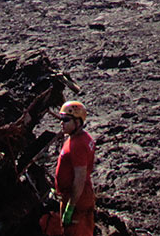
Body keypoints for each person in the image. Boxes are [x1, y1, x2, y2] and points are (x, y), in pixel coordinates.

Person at [54, 101, 96, 236]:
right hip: (78, 195)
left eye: (66, 120)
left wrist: (70, 207)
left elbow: (79, 178)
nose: (62, 123)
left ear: (78, 122)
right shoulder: (80, 138)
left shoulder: (78, 145)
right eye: (61, 119)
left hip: (77, 198)